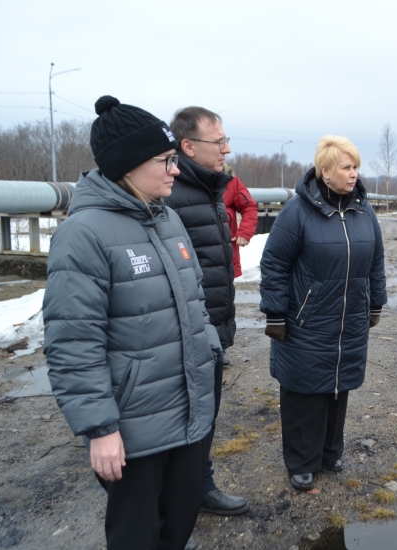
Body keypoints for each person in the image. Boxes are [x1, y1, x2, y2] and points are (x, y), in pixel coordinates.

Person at [43, 96, 219, 550]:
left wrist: (210, 354)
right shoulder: (84, 235)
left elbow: (195, 303)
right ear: (128, 164)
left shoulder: (169, 219)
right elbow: (72, 343)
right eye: (165, 160)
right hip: (134, 428)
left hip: (188, 415)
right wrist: (100, 429)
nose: (175, 170)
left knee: (178, 527)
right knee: (136, 536)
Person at [259, 135, 387, 491]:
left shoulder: (364, 211)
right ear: (325, 171)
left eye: (356, 167)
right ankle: (302, 459)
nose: (354, 174)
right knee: (304, 390)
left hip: (348, 319)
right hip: (307, 319)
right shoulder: (297, 212)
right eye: (347, 167)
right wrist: (275, 313)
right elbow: (274, 263)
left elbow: (376, 261)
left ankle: (330, 451)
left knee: (338, 385)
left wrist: (375, 302)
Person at [166, 107, 247, 515]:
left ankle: (198, 486)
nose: (227, 149)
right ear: (189, 146)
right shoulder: (171, 196)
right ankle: (178, 504)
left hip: (212, 326)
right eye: (219, 142)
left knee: (206, 413)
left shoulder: (211, 189)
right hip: (186, 333)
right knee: (186, 417)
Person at [222, 163, 258, 279]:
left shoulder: (230, 181)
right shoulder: (178, 179)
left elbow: (249, 206)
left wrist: (244, 233)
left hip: (225, 262)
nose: (225, 150)